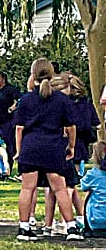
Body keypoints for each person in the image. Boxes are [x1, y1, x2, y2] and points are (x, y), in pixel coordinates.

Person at [14, 59, 81, 241]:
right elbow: (71, 127)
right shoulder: (62, 100)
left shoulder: (26, 100)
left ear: (33, 75)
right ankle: (71, 227)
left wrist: (20, 151)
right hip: (53, 146)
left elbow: (19, 128)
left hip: (31, 146)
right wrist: (71, 146)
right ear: (52, 74)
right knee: (60, 188)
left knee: (27, 188)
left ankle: (24, 227)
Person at [45, 73, 99, 232]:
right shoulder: (83, 104)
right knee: (69, 184)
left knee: (52, 188)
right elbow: (93, 124)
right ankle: (68, 220)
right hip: (76, 146)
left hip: (54, 145)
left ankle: (51, 223)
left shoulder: (52, 103)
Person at [80, 141, 106, 237]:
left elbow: (83, 187)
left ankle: (86, 227)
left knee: (89, 194)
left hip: (97, 221)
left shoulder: (93, 174)